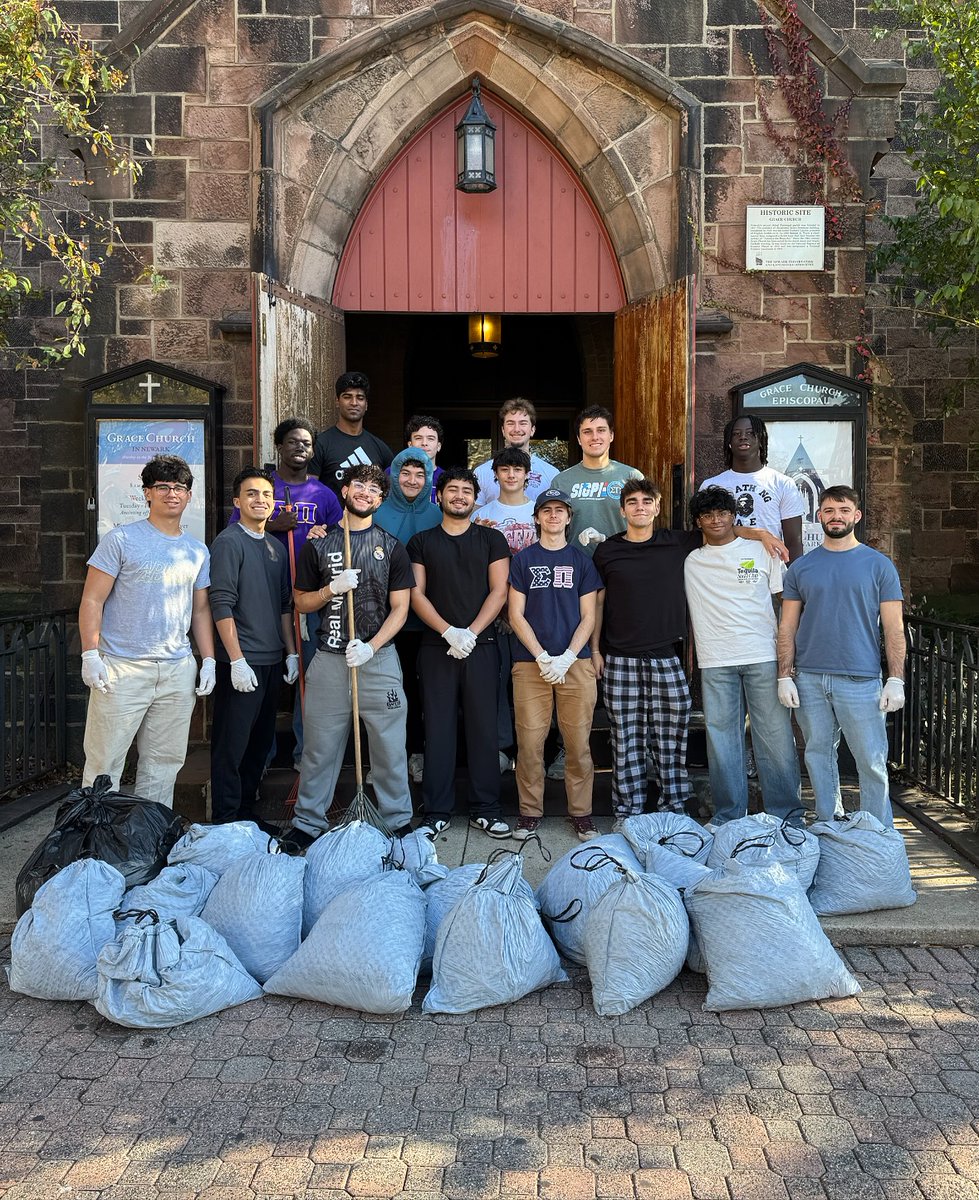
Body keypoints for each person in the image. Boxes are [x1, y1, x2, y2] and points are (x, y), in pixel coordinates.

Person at [592, 478, 786, 827]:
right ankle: (628, 814)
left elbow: (723, 528)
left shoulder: (677, 542)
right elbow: (597, 603)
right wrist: (595, 649)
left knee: (672, 740)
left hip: (668, 656)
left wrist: (762, 534)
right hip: (620, 657)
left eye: (646, 501)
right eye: (632, 502)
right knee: (626, 742)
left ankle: (674, 809)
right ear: (622, 510)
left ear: (657, 506)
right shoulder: (606, 551)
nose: (639, 507)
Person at [283, 463, 416, 852]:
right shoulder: (318, 544)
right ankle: (308, 822)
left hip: (378, 660)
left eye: (374, 489)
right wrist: (331, 590)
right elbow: (301, 601)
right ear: (344, 491)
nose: (365, 493)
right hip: (329, 658)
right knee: (319, 747)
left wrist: (372, 646)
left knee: (390, 746)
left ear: (380, 499)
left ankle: (398, 820)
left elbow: (401, 609)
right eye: (358, 485)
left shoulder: (391, 547)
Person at [78, 454, 214, 808]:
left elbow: (200, 610)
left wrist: (209, 660)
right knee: (104, 764)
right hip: (121, 668)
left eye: (180, 488)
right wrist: (90, 654)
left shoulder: (196, 551)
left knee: (164, 765)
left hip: (175, 670)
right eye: (163, 486)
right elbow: (92, 600)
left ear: (188, 496)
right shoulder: (120, 540)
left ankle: (148, 843)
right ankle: (94, 847)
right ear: (147, 493)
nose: (172, 493)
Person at [776, 485, 906, 826]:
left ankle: (878, 833)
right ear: (819, 516)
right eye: (829, 510)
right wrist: (784, 675)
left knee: (871, 761)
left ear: (856, 516)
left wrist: (895, 678)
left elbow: (894, 628)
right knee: (818, 755)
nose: (836, 516)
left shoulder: (879, 566)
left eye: (844, 510)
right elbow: (787, 627)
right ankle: (828, 825)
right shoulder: (801, 568)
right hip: (810, 679)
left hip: (861, 679)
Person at [684, 486, 803, 827]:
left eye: (723, 513)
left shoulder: (761, 551)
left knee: (775, 737)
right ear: (698, 521)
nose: (716, 520)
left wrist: (787, 663)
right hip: (715, 661)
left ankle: (788, 818)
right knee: (722, 742)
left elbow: (785, 606)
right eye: (708, 515)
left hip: (762, 656)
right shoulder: (690, 559)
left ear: (733, 516)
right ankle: (728, 818)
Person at [229, 417, 342, 767]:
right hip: (262, 596)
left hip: (306, 598)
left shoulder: (322, 494)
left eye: (306, 443)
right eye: (293, 442)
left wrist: (323, 536)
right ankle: (259, 759)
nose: (300, 448)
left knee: (309, 680)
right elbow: (237, 530)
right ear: (279, 446)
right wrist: (273, 524)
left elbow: (342, 535)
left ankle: (304, 755)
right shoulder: (264, 488)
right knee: (264, 680)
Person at [407, 467, 512, 838]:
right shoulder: (421, 542)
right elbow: (415, 594)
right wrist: (448, 631)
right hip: (437, 646)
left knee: (483, 728)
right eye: (452, 490)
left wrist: (470, 631)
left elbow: (499, 592)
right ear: (439, 497)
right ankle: (436, 809)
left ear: (475, 498)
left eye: (467, 491)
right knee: (438, 727)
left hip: (481, 645)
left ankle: (487, 807)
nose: (459, 496)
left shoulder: (492, 540)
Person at [508, 489, 603, 842]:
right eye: (546, 510)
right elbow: (515, 614)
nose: (552, 516)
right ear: (536, 517)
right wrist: (542, 656)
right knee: (530, 742)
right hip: (531, 664)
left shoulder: (581, 561)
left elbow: (589, 615)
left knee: (578, 743)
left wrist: (567, 656)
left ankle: (582, 814)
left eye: (559, 510)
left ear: (568, 517)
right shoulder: (523, 560)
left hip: (574, 664)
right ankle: (529, 812)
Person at [209, 468, 299, 828]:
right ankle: (227, 819)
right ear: (237, 502)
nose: (259, 500)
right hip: (241, 662)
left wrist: (290, 651)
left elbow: (283, 606)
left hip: (272, 659)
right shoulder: (229, 543)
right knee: (232, 746)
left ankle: (247, 813)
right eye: (251, 494)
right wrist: (235, 660)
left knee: (258, 745)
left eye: (265, 494)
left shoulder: (275, 547)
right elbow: (221, 603)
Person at [375, 447, 442, 784]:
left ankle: (417, 753)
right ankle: (385, 760)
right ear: (394, 476)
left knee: (421, 693)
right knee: (386, 692)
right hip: (386, 623)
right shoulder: (377, 512)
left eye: (420, 474)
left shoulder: (438, 514)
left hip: (428, 623)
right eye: (406, 473)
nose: (412, 480)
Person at [700, 414, 805, 561]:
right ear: (729, 442)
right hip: (724, 568)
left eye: (750, 433)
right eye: (736, 434)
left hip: (770, 570)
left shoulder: (782, 483)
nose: (743, 437)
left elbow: (794, 541)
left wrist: (793, 578)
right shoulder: (711, 485)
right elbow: (703, 535)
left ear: (761, 440)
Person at [551, 405, 643, 557]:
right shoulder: (561, 481)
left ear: (611, 435)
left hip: (621, 562)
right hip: (575, 565)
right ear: (579, 439)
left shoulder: (632, 477)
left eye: (601, 430)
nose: (595, 437)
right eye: (587, 432)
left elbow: (643, 526)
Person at [310, 371, 394, 494]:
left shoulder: (380, 448)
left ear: (366, 405)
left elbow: (391, 492)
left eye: (360, 398)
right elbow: (310, 494)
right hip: (335, 514)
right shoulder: (320, 444)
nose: (354, 403)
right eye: (347, 397)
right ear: (337, 401)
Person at [473, 398, 558, 506]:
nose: (516, 429)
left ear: (532, 430)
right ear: (503, 430)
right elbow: (475, 513)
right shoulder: (482, 472)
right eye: (510, 423)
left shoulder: (551, 474)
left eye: (523, 423)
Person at [473, 447, 538, 553]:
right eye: (504, 470)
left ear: (527, 474)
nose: (511, 475)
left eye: (517, 469)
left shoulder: (540, 513)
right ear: (495, 473)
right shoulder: (480, 516)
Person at [386, 414, 445, 503]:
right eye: (418, 438)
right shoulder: (391, 472)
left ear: (439, 446)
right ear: (410, 445)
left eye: (430, 438)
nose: (424, 443)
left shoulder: (445, 478)